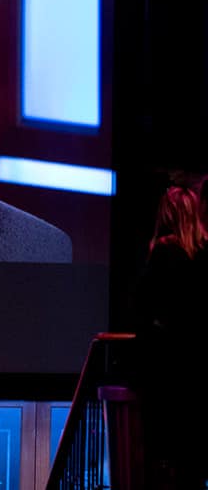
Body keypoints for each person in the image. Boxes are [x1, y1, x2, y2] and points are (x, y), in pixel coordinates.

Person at [128, 182, 208, 489]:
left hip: (168, 381)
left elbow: (143, 310)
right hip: (195, 381)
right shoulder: (199, 259)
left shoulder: (164, 256)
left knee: (164, 464)